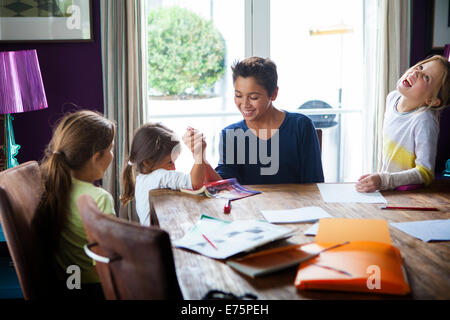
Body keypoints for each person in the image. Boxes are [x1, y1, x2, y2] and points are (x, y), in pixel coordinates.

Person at [35, 110, 116, 299]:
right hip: (92, 288)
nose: (112, 155)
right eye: (111, 149)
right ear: (96, 157)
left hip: (65, 286)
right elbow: (106, 261)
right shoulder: (98, 198)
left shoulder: (49, 185)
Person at [215, 56, 324, 184]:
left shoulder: (301, 126)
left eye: (254, 97)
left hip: (296, 203)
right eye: (238, 95)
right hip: (248, 204)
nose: (244, 104)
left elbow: (314, 183)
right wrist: (199, 157)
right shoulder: (231, 134)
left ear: (274, 94)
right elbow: (225, 184)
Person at [356, 55, 450, 192]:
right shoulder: (392, 98)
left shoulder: (424, 120)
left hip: (411, 195)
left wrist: (384, 180)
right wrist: (380, 179)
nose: (417, 72)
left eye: (426, 77)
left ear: (432, 100)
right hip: (389, 190)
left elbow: (425, 173)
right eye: (420, 67)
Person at [120, 123, 221, 226]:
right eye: (170, 162)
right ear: (147, 162)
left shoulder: (142, 179)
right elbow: (194, 183)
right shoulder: (159, 176)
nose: (174, 168)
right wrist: (199, 155)